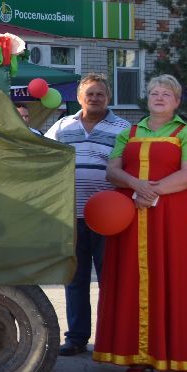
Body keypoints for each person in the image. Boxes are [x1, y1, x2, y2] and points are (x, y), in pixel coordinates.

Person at [97, 75, 187, 372]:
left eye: (166, 94)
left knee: (170, 280)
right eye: (154, 93)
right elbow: (112, 170)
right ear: (147, 98)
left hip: (171, 218)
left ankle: (168, 359)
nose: (159, 98)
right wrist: (136, 186)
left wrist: (150, 192)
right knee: (130, 281)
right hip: (130, 217)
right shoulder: (129, 132)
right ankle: (136, 354)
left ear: (177, 101)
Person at [44, 74, 130, 356]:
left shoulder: (124, 128)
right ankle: (77, 338)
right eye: (89, 93)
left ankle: (112, 338)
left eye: (100, 94)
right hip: (71, 216)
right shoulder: (62, 126)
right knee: (76, 280)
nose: (94, 98)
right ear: (79, 98)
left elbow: (131, 168)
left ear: (109, 97)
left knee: (111, 281)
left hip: (110, 218)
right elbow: (45, 156)